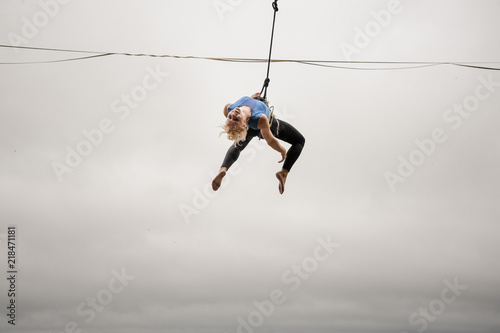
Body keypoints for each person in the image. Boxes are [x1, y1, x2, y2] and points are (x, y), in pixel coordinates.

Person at [212, 92, 305, 194]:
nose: (233, 114)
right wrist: (282, 150)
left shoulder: (229, 108)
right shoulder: (260, 119)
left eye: (230, 117)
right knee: (300, 141)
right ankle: (284, 173)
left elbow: (242, 110)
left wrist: (252, 98)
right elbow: (270, 140)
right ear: (244, 123)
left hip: (250, 122)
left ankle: (223, 169)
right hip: (266, 126)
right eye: (236, 119)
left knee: (237, 146)